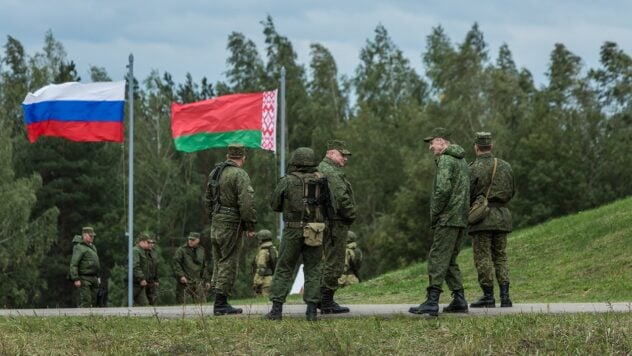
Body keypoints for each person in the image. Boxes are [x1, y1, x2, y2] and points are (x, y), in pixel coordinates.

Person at [266, 147, 332, 321]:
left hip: (292, 229)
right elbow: (330, 205)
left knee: (284, 268)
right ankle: (311, 311)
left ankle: (276, 310)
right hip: (315, 230)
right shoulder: (322, 180)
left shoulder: (287, 181)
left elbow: (274, 204)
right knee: (314, 269)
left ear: (295, 162)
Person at [409, 127, 470, 316]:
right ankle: (459, 299)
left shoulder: (445, 160)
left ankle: (432, 301)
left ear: (442, 142)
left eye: (432, 142)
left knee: (437, 257)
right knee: (450, 259)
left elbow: (443, 190)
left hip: (447, 218)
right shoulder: (463, 161)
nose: (430, 147)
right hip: (461, 218)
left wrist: (435, 213)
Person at [205, 143, 257, 315]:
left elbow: (207, 199)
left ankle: (219, 299)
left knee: (218, 260)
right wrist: (249, 224)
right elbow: (246, 202)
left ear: (228, 156)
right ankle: (221, 304)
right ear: (243, 157)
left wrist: (213, 217)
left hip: (216, 221)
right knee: (228, 262)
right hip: (231, 223)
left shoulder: (216, 172)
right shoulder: (239, 174)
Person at [468, 132, 516, 308]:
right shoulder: (505, 166)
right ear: (491, 146)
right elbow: (512, 191)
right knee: (501, 257)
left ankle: (488, 296)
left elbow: (468, 193)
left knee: (483, 257)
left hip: (481, 219)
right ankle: (505, 296)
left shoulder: (472, 168)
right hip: (502, 216)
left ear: (476, 147)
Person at [317, 139, 356, 314]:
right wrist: (351, 214)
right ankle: (326, 301)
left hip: (327, 221)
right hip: (335, 222)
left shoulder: (323, 169)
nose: (345, 159)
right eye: (342, 155)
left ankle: (321, 298)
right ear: (331, 153)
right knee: (335, 261)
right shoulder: (330, 171)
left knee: (328, 259)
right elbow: (341, 197)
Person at [172, 232, 212, 304]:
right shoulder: (181, 250)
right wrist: (181, 275)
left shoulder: (201, 250)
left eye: (193, 240)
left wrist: (207, 280)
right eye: (189, 239)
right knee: (182, 305)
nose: (190, 241)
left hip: (198, 282)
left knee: (202, 305)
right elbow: (176, 263)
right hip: (185, 282)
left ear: (198, 240)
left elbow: (204, 267)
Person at [69, 227, 100, 307]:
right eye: (90, 236)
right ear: (85, 235)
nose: (92, 238)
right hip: (84, 277)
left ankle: (93, 318)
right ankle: (82, 317)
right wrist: (76, 278)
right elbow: (74, 263)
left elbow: (96, 263)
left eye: (93, 236)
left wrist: (98, 277)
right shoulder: (79, 247)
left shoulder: (92, 247)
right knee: (86, 301)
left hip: (94, 278)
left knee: (95, 301)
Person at [252, 229, 278, 297]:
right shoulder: (273, 249)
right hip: (272, 279)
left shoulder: (263, 252)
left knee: (263, 304)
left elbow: (261, 268)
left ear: (261, 240)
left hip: (264, 282)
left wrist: (257, 283)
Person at [132, 232, 151, 306]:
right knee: (126, 303)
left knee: (145, 305)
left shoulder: (143, 251)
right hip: (133, 283)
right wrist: (141, 278)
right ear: (142, 242)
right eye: (147, 242)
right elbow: (135, 266)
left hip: (139, 283)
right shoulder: (136, 251)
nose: (149, 244)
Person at [146, 237, 160, 306]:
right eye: (149, 243)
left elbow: (155, 267)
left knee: (154, 299)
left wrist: (156, 280)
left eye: (153, 243)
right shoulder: (142, 253)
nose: (151, 245)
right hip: (144, 280)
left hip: (152, 280)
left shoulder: (154, 253)